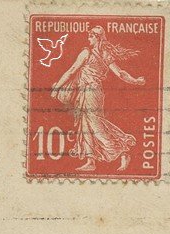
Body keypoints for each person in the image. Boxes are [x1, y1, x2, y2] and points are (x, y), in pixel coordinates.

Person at [51, 25, 146, 172]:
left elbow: (71, 71)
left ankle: (121, 152)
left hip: (92, 91)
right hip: (88, 91)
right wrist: (135, 80)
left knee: (95, 124)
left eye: (91, 35)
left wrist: (57, 88)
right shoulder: (104, 53)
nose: (88, 37)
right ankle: (91, 161)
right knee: (85, 125)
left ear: (98, 37)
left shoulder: (88, 53)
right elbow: (120, 73)